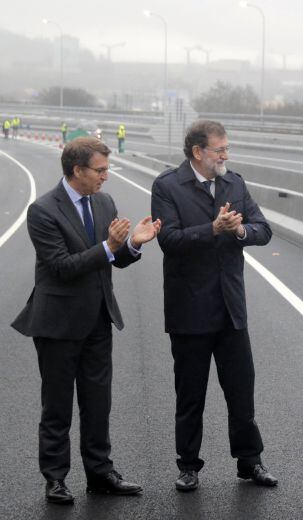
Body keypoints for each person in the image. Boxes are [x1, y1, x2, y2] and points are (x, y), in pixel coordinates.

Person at [11, 137, 162, 504]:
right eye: (101, 170)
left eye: (107, 169)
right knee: (58, 407)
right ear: (77, 170)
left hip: (97, 319)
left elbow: (114, 259)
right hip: (58, 324)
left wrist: (133, 245)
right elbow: (62, 267)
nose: (106, 177)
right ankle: (56, 479)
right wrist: (110, 247)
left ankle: (100, 473)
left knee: (98, 403)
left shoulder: (104, 201)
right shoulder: (43, 211)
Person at [150, 120, 277, 493]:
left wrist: (239, 231)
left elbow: (263, 229)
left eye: (227, 149)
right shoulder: (168, 186)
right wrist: (213, 229)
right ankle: (188, 465)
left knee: (241, 392)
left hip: (230, 309)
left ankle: (250, 462)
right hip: (189, 310)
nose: (225, 155)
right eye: (219, 149)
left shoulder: (234, 183)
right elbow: (169, 240)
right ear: (197, 152)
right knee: (191, 395)